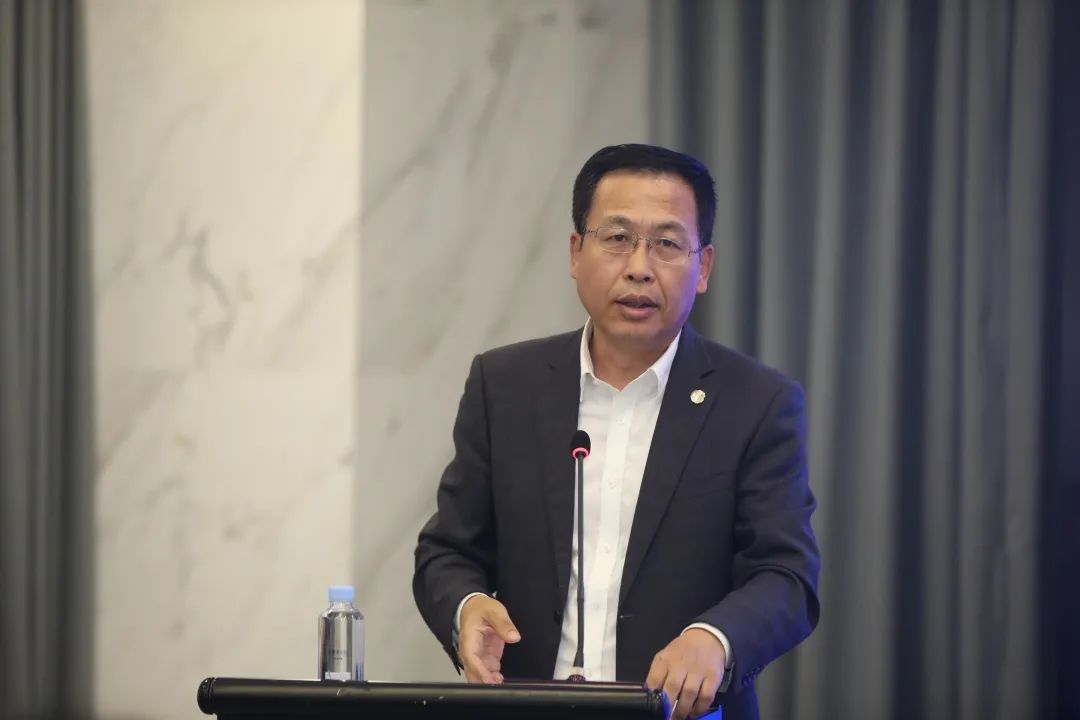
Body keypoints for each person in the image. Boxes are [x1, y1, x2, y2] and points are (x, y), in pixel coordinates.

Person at [413, 144, 819, 720]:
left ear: (703, 267)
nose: (639, 267)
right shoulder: (504, 386)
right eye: (618, 237)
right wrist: (467, 606)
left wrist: (714, 638)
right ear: (575, 253)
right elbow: (447, 550)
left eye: (667, 244)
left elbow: (786, 576)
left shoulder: (757, 403)